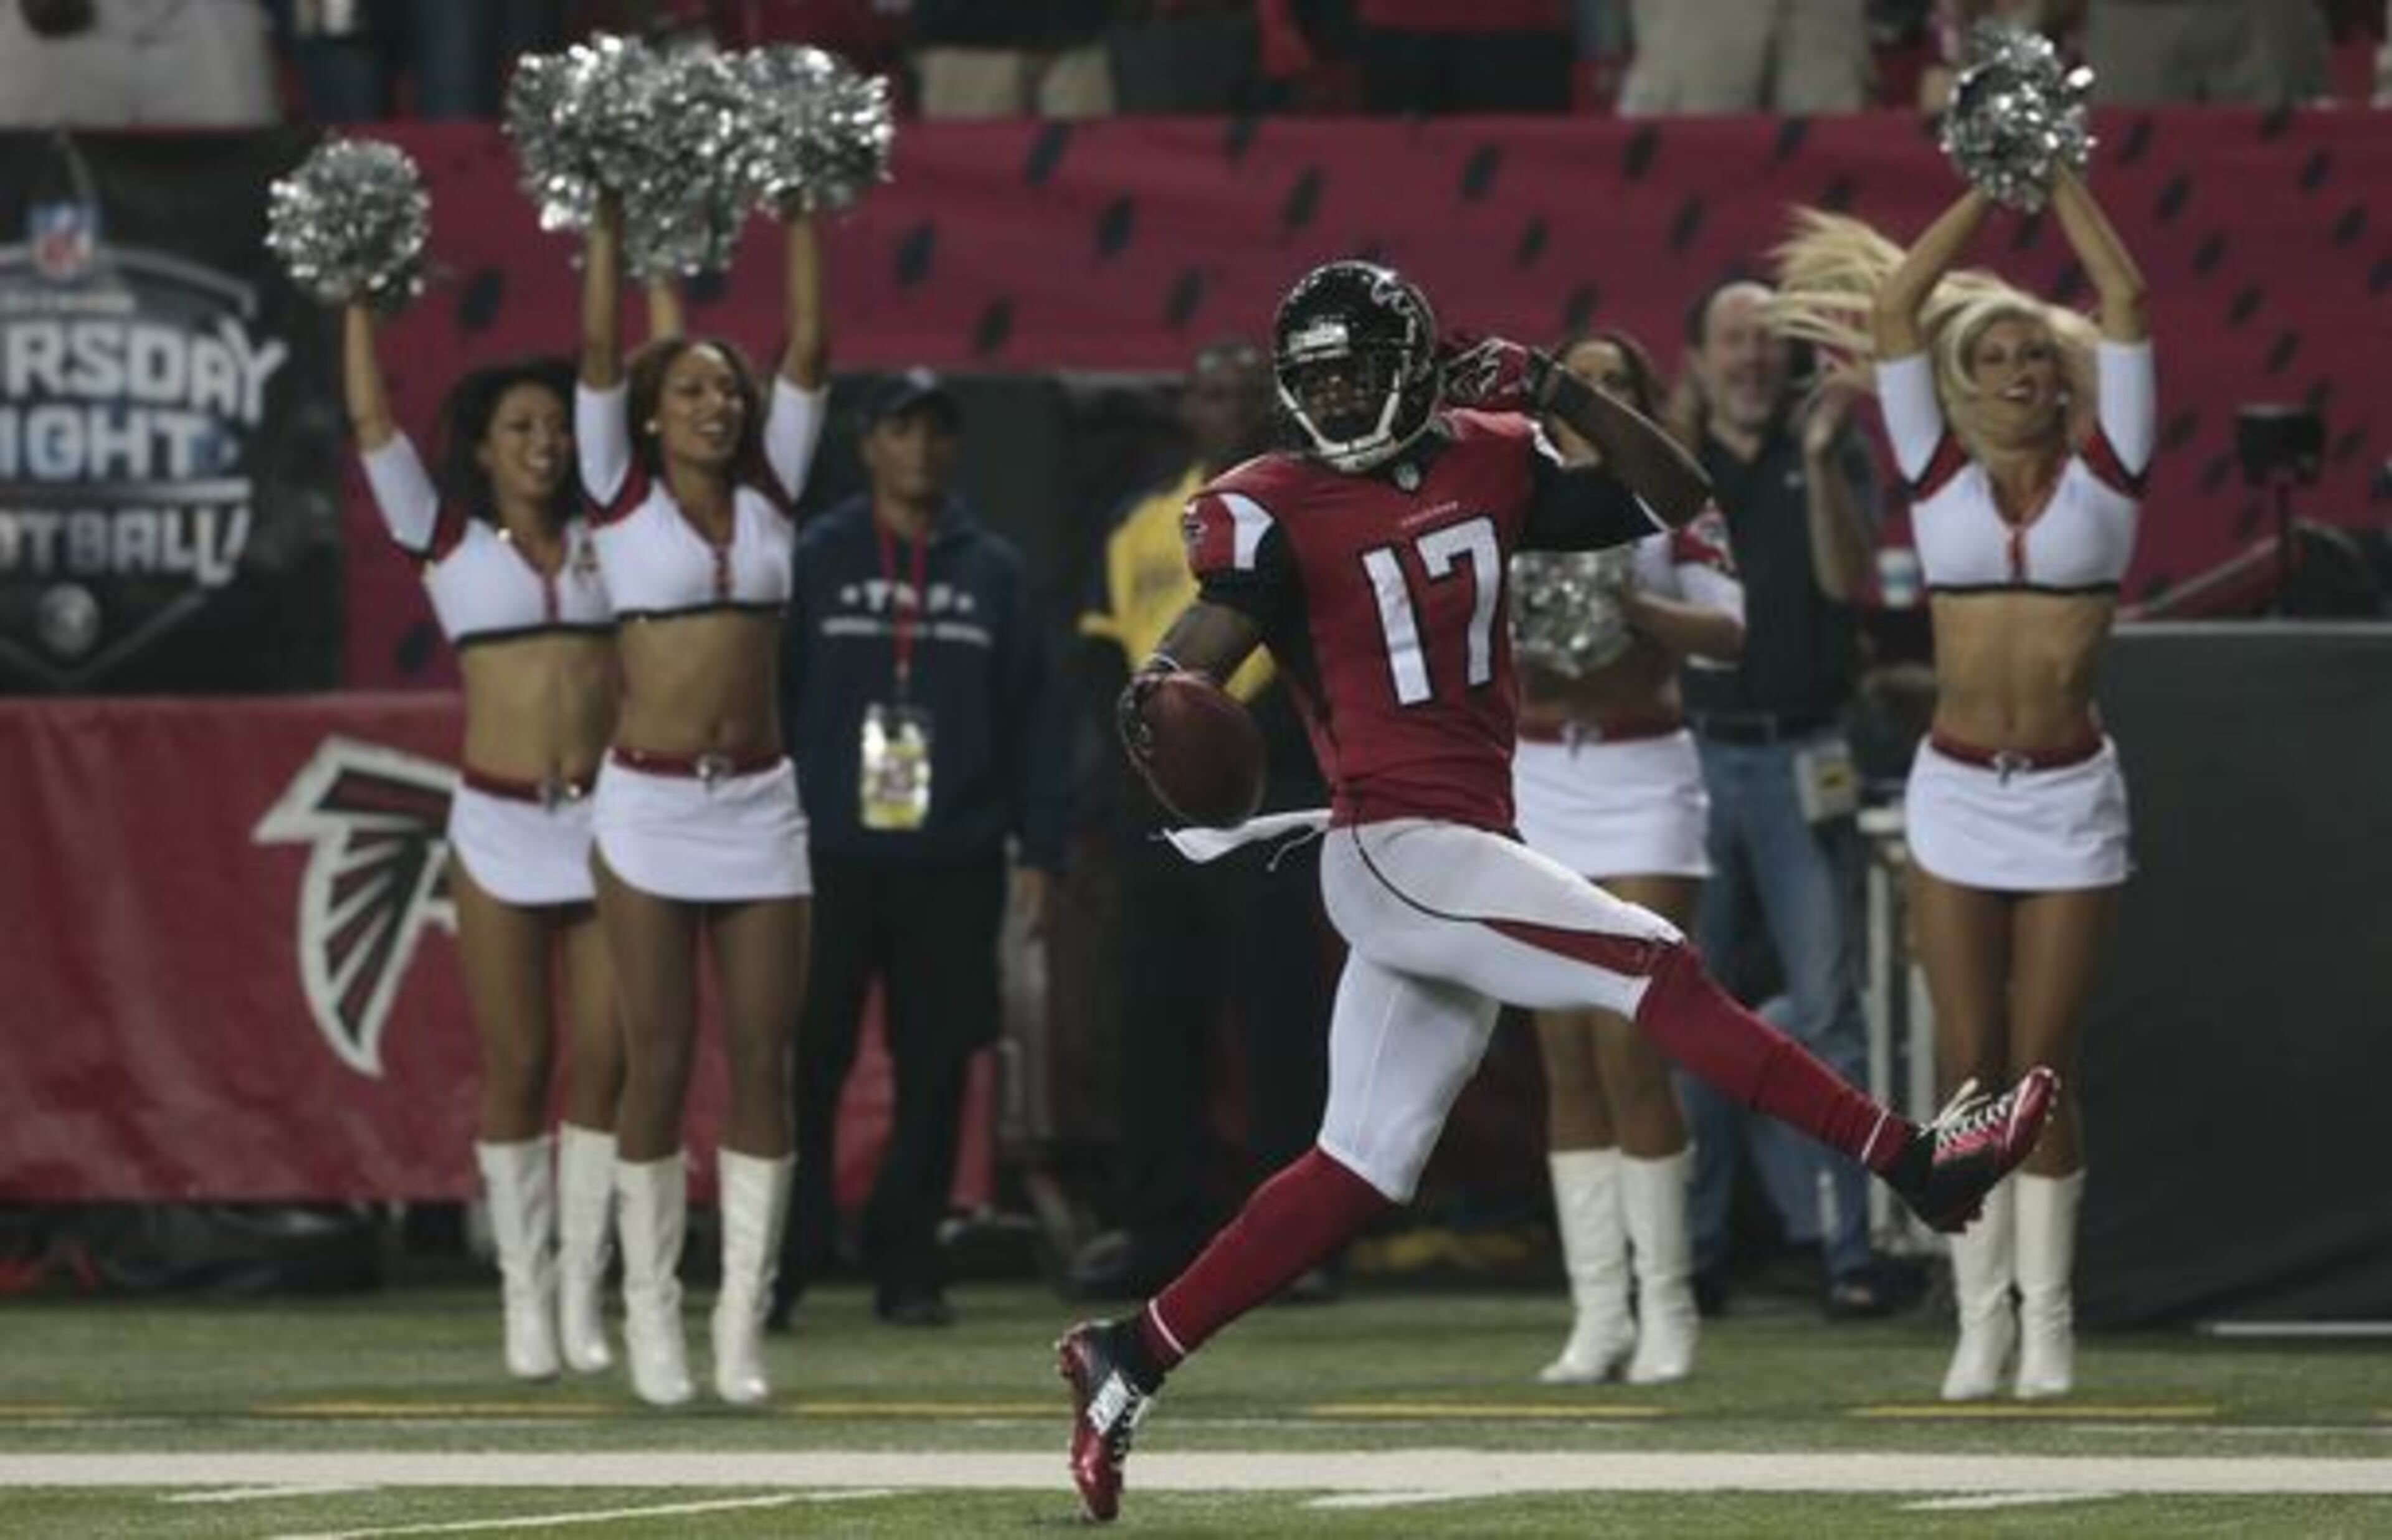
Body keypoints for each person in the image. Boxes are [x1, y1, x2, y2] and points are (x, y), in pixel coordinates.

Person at [1055, 258, 2060, 1524]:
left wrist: (1555, 394)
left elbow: (1677, 496)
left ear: (1418, 365)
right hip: (1395, 843)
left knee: (1361, 1164)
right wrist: (1158, 699)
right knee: (1653, 960)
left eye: (1362, 368)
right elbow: (1201, 650)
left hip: (1465, 834)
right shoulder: (1268, 505)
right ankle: (1916, 1160)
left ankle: (1129, 1353)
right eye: (1318, 378)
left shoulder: (1490, 451)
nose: (1341, 394)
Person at [1770, 160, 2151, 1401]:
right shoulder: (1935, 477)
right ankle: (1977, 1319)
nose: (2020, 374)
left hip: (2067, 792)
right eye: (1993, 360)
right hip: (1956, 793)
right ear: (1963, 383)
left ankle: (2051, 1325)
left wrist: (2059, 182)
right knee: (1966, 1067)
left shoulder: (2109, 476)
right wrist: (1990, 192)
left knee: (2045, 1071)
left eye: (2036, 358)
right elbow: (1897, 312)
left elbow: (2128, 294)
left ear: (2060, 378)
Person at [338, 302, 622, 1385]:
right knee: (521, 1062)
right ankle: (521, 1292)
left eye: (553, 423)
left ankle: (579, 1288)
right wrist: (359, 290)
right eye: (519, 427)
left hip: (603, 824)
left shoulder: (615, 536)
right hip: (498, 823)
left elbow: (608, 373)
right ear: (483, 446)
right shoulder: (447, 540)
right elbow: (370, 421)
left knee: (608, 1059)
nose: (543, 440)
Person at [575, 197, 827, 1407]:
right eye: (691, 392)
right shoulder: (618, 496)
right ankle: (654, 1320)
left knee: (767, 1061)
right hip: (646, 811)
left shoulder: (776, 493)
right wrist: (613, 222)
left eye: (728, 390)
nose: (717, 405)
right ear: (650, 411)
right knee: (658, 1060)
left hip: (762, 807)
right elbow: (593, 355)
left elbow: (812, 350)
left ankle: (740, 1327)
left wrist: (808, 208)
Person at [773, 369, 1070, 1328]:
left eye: (939, 433)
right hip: (827, 852)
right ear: (867, 446)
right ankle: (787, 1253)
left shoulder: (993, 567)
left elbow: (1037, 716)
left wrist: (1041, 847)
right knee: (805, 1059)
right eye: (902, 431)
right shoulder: (816, 558)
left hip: (955, 854)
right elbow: (774, 696)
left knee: (939, 1064)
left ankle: (908, 1263)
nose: (923, 449)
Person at [1068, 339, 1335, 1304]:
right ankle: (1157, 1223)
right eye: (1206, 391)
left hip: (1272, 786)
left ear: (1263, 408)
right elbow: (1105, 663)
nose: (1222, 406)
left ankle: (1290, 1237)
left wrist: (1242, 746)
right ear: (1185, 408)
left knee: (1280, 1020)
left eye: (1238, 392)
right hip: (1156, 796)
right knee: (1154, 1019)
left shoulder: (1302, 512)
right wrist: (1129, 778)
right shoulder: (1139, 523)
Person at [1512, 329, 1745, 1386]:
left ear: (1645, 397)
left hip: (1645, 775)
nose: (1597, 394)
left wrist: (1627, 608)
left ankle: (1671, 1307)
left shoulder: (1671, 494)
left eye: (1618, 380)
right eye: (1583, 379)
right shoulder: (1513, 491)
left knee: (1630, 1040)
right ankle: (1598, 1311)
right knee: (1562, 1053)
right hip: (1535, 777)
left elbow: (1732, 631)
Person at [1671, 276, 1892, 1320]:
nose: (1752, 359)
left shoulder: (1833, 451)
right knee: (1683, 1010)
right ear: (1700, 358)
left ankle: (1848, 1251)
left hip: (1809, 747)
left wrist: (1815, 456)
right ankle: (1696, 1249)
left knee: (1832, 1014)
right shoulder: (1669, 467)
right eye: (1734, 341)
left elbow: (1852, 583)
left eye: (1768, 341)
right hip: (1698, 757)